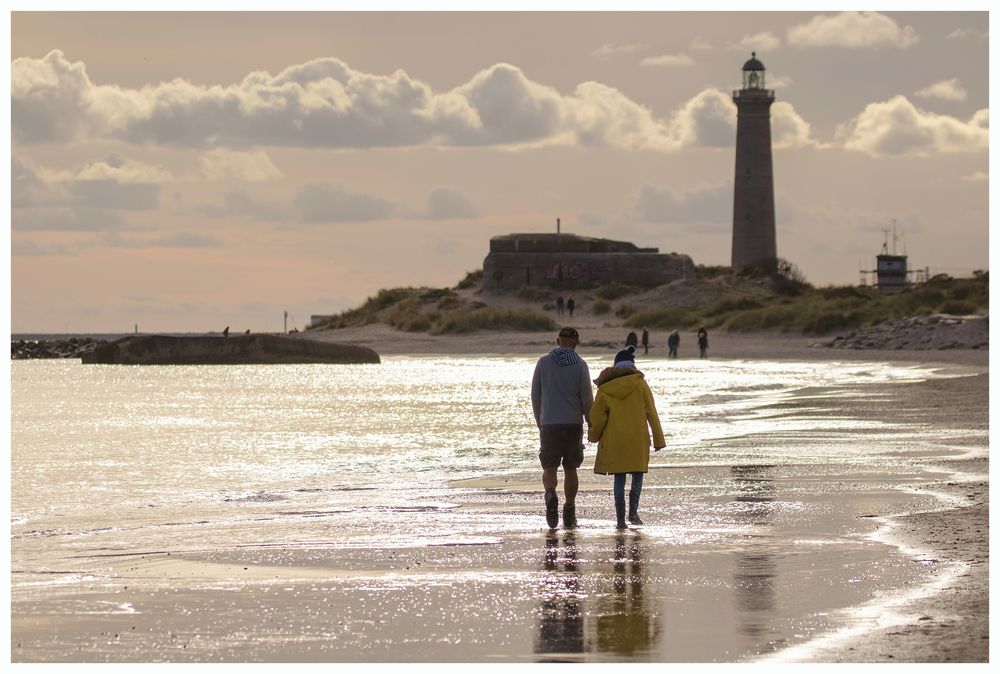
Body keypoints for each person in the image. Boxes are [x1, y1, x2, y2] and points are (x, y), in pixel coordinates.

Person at [588, 345, 665, 529]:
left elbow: (597, 418)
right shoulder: (640, 384)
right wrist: (658, 439)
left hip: (615, 440)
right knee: (638, 474)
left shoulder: (605, 388)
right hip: (638, 439)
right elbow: (651, 412)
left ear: (616, 366)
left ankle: (620, 519)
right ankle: (633, 513)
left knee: (619, 478)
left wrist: (593, 436)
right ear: (632, 365)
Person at [531, 326, 594, 529]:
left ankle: (550, 493)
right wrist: (591, 422)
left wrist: (540, 421)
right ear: (575, 343)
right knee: (570, 468)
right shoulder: (580, 365)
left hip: (549, 423)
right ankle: (569, 509)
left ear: (558, 341)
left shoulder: (543, 363)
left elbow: (535, 395)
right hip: (573, 424)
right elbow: (586, 398)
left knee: (549, 467)